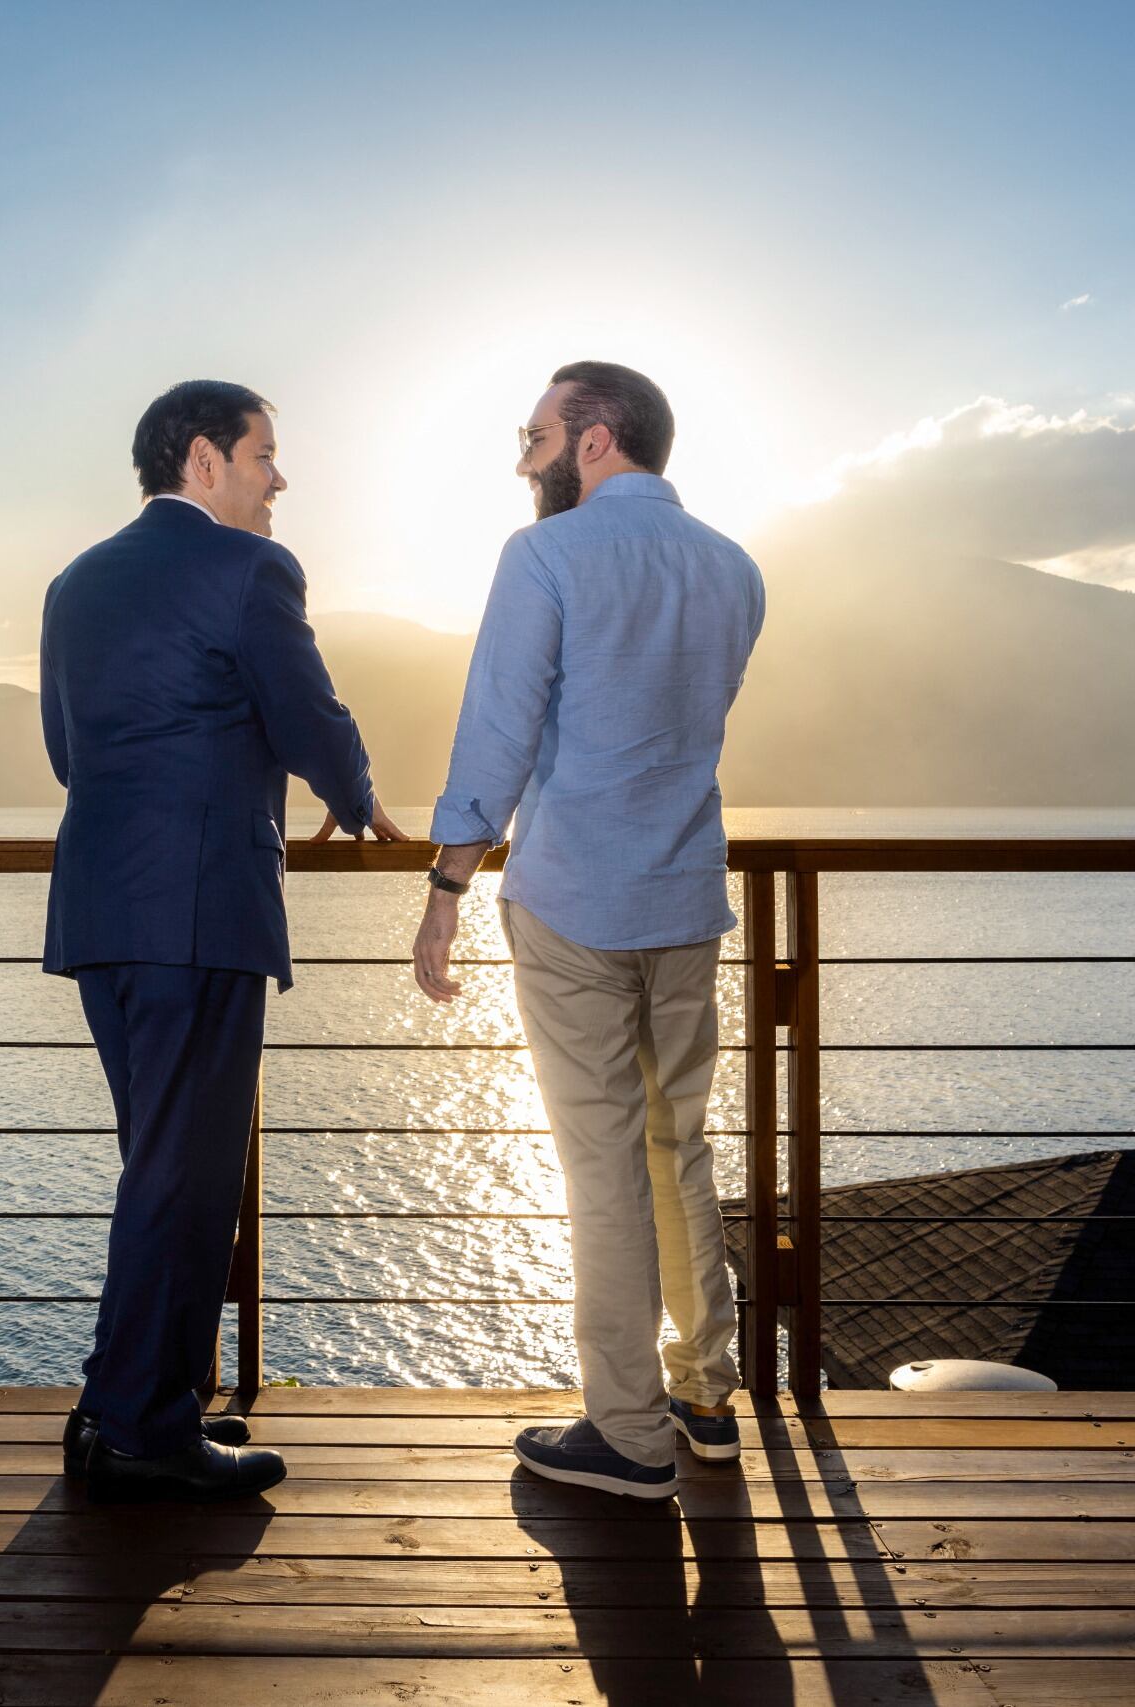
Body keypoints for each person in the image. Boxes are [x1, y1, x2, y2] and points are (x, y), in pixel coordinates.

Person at [40, 379, 404, 1501]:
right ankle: (142, 1431)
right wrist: (356, 795)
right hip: (200, 909)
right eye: (263, 455)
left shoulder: (75, 581)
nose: (278, 478)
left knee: (158, 1164)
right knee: (185, 1176)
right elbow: (308, 715)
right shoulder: (251, 570)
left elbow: (65, 751)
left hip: (102, 908)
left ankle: (119, 1406)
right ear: (204, 460)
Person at [413, 361, 766, 1501]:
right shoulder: (734, 568)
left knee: (602, 1164)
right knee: (679, 1146)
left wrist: (448, 881)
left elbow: (498, 729)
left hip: (574, 902)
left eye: (536, 438)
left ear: (595, 440)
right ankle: (705, 1396)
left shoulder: (545, 556)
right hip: (684, 900)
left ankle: (626, 1434)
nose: (526, 462)